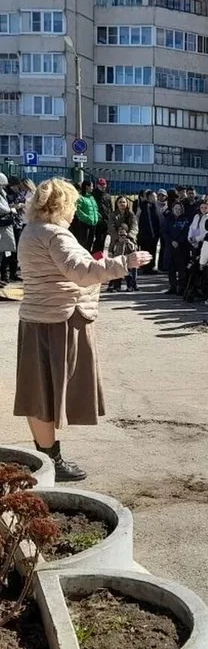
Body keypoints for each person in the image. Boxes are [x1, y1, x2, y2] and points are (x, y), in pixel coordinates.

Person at [13, 179, 151, 480]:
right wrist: (125, 262)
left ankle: (46, 457)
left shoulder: (32, 231)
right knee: (44, 395)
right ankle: (52, 462)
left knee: (36, 393)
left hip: (37, 319)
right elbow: (82, 272)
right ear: (61, 205)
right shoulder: (55, 234)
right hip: (57, 321)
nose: (75, 210)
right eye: (73, 204)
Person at [162, 201, 191, 296]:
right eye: (176, 209)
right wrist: (172, 241)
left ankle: (181, 288)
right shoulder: (168, 219)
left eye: (179, 209)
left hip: (182, 247)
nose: (178, 210)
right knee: (171, 269)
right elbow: (164, 232)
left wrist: (178, 241)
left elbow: (186, 232)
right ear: (172, 209)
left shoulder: (185, 219)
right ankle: (173, 287)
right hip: (170, 247)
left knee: (182, 269)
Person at [107, 223, 138, 293]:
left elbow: (134, 250)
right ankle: (116, 286)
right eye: (120, 234)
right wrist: (111, 255)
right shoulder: (116, 241)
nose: (122, 236)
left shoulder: (129, 240)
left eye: (123, 234)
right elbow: (111, 249)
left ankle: (130, 286)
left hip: (126, 260)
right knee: (117, 274)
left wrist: (129, 243)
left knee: (128, 274)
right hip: (118, 260)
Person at [0, 171, 19, 284]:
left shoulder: (3, 193)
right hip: (2, 225)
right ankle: (4, 275)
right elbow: (2, 208)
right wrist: (10, 210)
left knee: (5, 251)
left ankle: (4, 276)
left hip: (5, 225)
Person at [70, 181, 100, 252]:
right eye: (91, 186)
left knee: (90, 242)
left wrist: (97, 216)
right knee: (83, 243)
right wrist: (86, 218)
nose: (92, 188)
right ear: (87, 187)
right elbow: (78, 210)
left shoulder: (91, 197)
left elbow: (95, 208)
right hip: (84, 224)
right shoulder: (80, 197)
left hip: (93, 223)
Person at [137, 189, 161, 272]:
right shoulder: (144, 206)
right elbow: (139, 218)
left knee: (153, 250)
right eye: (153, 196)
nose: (155, 198)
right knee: (146, 250)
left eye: (155, 196)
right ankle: (145, 268)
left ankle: (151, 266)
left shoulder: (154, 206)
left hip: (154, 233)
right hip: (146, 233)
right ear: (148, 197)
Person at [92, 178, 112, 254]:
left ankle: (100, 254)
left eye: (104, 184)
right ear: (97, 185)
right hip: (97, 220)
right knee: (98, 239)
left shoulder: (108, 196)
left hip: (106, 220)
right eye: (101, 185)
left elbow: (110, 208)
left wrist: (110, 218)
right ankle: (95, 254)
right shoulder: (93, 195)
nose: (103, 186)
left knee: (103, 240)